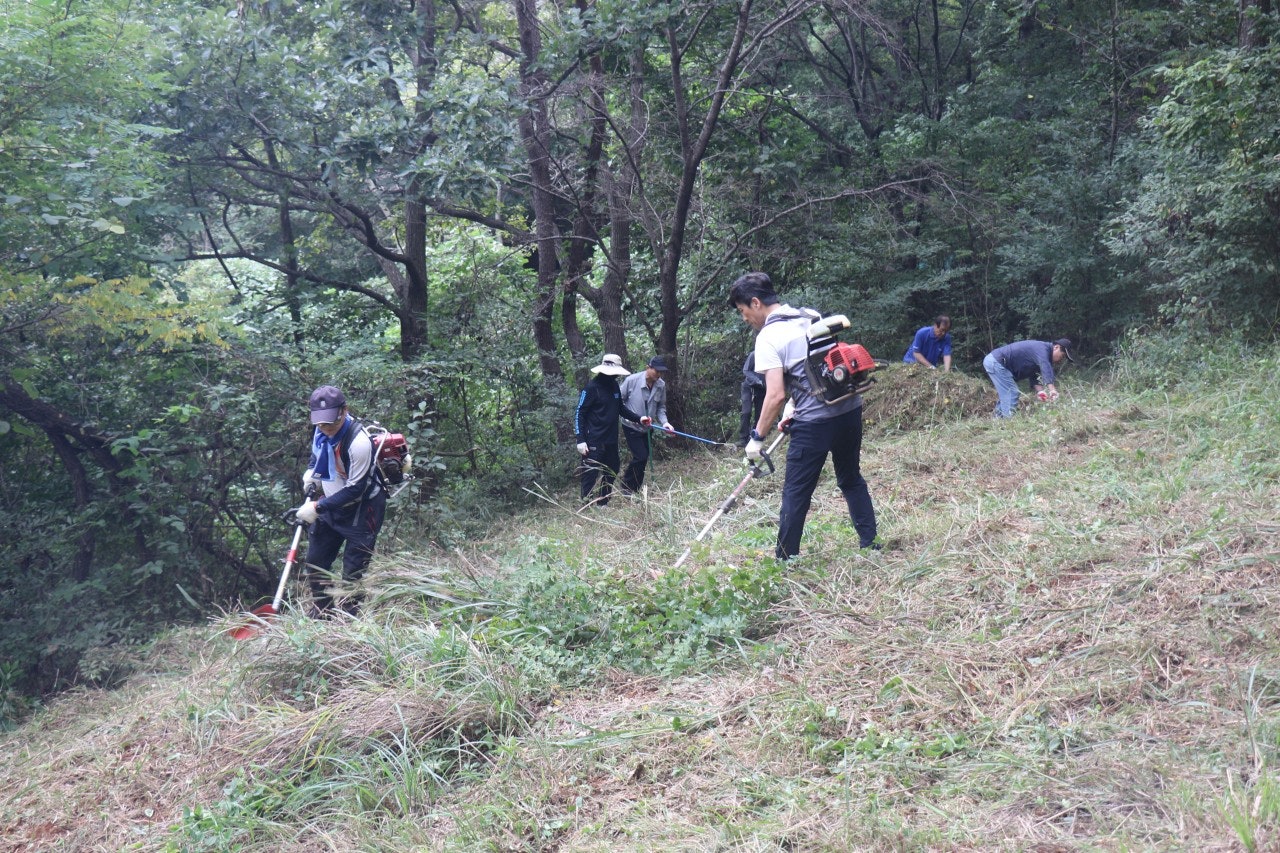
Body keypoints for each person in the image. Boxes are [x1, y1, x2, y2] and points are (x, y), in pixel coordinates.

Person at [728, 271, 878, 559]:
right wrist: (791, 408)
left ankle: (785, 560)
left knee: (796, 492)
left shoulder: (768, 337)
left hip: (814, 425)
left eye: (743, 311)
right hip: (849, 410)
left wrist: (756, 438)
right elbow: (819, 371)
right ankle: (870, 542)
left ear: (756, 303)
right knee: (850, 477)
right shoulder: (809, 314)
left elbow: (774, 395)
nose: (744, 318)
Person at [296, 385, 387, 614]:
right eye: (320, 423)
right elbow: (316, 457)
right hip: (331, 504)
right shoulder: (320, 431)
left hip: (362, 509)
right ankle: (322, 612)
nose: (325, 428)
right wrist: (311, 477)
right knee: (316, 563)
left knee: (352, 573)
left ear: (344, 411)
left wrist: (317, 506)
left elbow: (355, 489)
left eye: (330, 423)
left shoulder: (359, 442)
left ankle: (349, 618)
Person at [574, 354, 651, 506]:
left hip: (610, 438)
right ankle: (586, 504)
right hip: (593, 439)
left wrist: (639, 418)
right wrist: (580, 440)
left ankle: (603, 501)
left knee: (613, 469)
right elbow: (579, 413)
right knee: (590, 473)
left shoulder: (614, 386)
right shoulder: (591, 388)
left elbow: (621, 408)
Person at [618, 356, 676, 493]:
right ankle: (627, 487)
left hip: (648, 427)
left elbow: (661, 407)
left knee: (643, 459)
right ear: (648, 368)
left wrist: (665, 423)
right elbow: (618, 401)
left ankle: (635, 487)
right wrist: (630, 417)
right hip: (631, 426)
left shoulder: (661, 385)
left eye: (661, 372)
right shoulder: (631, 381)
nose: (659, 374)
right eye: (657, 371)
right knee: (641, 456)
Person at [982, 338, 1074, 418]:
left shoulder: (1041, 354)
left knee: (1006, 394)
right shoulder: (1042, 349)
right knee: (1012, 392)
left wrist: (1041, 392)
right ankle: (1008, 423)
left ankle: (997, 420)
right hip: (997, 362)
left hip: (995, 362)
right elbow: (1045, 367)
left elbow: (1034, 375)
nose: (1061, 359)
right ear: (1056, 347)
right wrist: (1052, 390)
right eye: (1062, 356)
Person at [738, 352, 766, 447]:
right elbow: (746, 371)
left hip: (762, 390)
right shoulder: (754, 354)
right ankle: (743, 438)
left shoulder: (772, 356)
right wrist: (757, 380)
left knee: (759, 414)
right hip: (748, 387)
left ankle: (754, 436)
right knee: (746, 412)